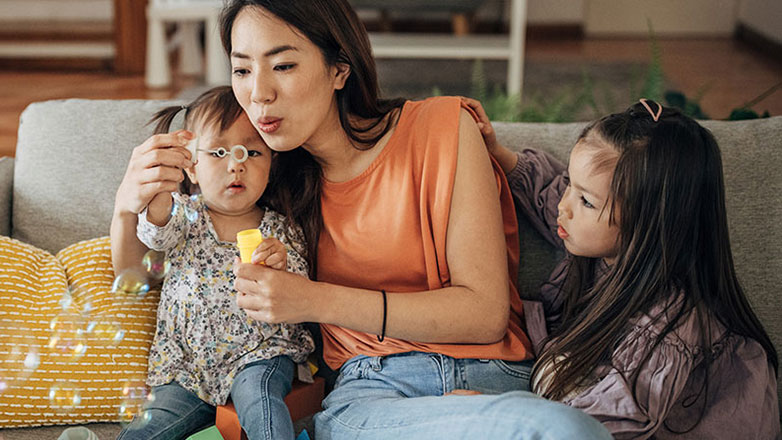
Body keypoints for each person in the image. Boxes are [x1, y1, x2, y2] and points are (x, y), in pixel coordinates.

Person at [216, 1, 611, 438]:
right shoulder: (259, 177)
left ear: (339, 69)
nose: (259, 93)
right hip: (373, 400)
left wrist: (313, 299)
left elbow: (484, 314)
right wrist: (130, 209)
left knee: (563, 429)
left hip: (498, 388)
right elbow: (183, 247)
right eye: (242, 70)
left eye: (283, 65)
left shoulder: (444, 128)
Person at [463, 96, 781, 439]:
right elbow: (549, 193)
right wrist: (499, 153)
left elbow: (607, 422)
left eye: (586, 201)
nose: (565, 207)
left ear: (649, 224)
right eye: (571, 182)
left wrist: (496, 411)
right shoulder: (598, 238)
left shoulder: (668, 326)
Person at [115, 86, 314, 440]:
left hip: (261, 355)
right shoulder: (184, 216)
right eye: (219, 151)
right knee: (146, 430)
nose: (236, 164)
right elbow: (155, 234)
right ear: (191, 166)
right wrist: (162, 187)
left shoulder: (281, 228)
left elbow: (301, 296)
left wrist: (282, 266)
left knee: (263, 405)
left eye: (252, 152)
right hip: (186, 367)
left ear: (271, 164)